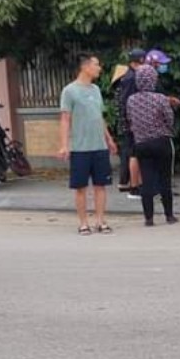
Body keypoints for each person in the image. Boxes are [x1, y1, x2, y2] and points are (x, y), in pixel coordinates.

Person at [59, 54, 119, 235]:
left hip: (99, 146)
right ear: (85, 67)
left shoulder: (95, 90)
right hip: (80, 147)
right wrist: (64, 144)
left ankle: (100, 221)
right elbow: (65, 119)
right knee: (80, 188)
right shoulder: (69, 91)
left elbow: (99, 117)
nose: (99, 68)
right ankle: (83, 223)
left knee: (101, 185)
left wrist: (109, 139)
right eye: (96, 64)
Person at [126, 64, 178, 227]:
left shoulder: (131, 100)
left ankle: (149, 218)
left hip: (141, 143)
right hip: (161, 141)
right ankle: (169, 215)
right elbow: (169, 118)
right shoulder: (160, 98)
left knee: (146, 180)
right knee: (165, 179)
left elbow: (130, 120)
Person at [114, 48, 147, 198]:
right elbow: (127, 101)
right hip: (131, 122)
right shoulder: (130, 78)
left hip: (130, 120)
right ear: (138, 61)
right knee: (132, 153)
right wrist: (132, 120)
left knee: (130, 152)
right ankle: (133, 185)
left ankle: (126, 182)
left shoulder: (131, 75)